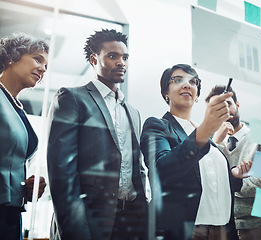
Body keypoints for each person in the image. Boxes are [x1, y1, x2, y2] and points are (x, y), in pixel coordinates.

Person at [47, 29, 149, 240]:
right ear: (94, 59)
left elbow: (137, 169)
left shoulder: (133, 112)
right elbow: (62, 173)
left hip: (130, 221)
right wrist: (75, 229)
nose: (121, 62)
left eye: (125, 57)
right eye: (113, 56)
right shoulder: (72, 98)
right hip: (88, 221)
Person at [140, 64, 251, 240]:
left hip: (223, 230)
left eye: (193, 81)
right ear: (165, 92)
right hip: (188, 231)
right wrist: (206, 130)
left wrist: (233, 175)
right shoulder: (157, 125)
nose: (187, 85)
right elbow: (161, 171)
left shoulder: (205, 133)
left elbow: (208, 179)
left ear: (197, 94)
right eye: (178, 80)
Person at [207, 85, 261, 240]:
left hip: (257, 227)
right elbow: (207, 185)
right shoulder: (211, 145)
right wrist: (216, 143)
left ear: (237, 104)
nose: (225, 110)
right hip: (220, 229)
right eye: (217, 108)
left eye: (228, 104)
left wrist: (227, 186)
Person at [0, 33, 48, 240]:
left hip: (11, 213)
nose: (43, 69)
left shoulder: (18, 108)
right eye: (38, 59)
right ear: (12, 57)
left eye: (46, 65)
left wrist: (24, 187)